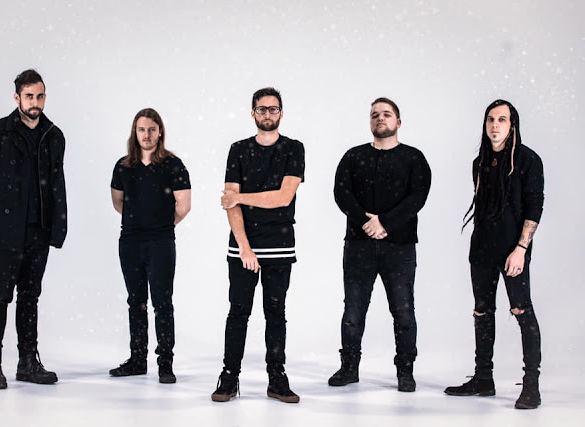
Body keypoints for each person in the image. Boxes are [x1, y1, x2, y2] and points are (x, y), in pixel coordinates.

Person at [444, 100, 544, 410]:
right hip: (482, 250)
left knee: (522, 311)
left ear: (512, 125)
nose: (495, 125)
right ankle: (483, 379)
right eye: (490, 119)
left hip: (513, 250)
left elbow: (534, 207)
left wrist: (521, 249)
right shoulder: (480, 162)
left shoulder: (528, 160)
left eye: (502, 119)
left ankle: (531, 386)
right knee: (482, 313)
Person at [0, 69, 67, 389]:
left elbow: (57, 183)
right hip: (5, 230)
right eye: (29, 96)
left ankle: (27, 363)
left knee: (30, 296)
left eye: (39, 96)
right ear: (17, 98)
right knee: (1, 294)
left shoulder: (54, 136)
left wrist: (58, 225)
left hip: (38, 229)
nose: (35, 102)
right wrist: (4, 207)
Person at [329, 97, 431, 392]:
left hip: (399, 247)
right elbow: (341, 193)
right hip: (358, 246)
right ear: (369, 121)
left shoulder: (414, 158)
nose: (380, 118)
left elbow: (418, 197)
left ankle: (405, 371)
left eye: (386, 114)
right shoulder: (353, 156)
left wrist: (385, 222)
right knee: (353, 311)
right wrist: (366, 222)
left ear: (398, 122)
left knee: (403, 311)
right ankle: (349, 367)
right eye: (375, 114)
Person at [211, 88, 305, 403]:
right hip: (243, 247)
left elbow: (284, 197)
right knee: (238, 312)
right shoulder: (238, 150)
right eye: (261, 109)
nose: (267, 114)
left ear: (281, 113)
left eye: (273, 109)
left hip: (280, 245)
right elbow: (230, 204)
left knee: (275, 313)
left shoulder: (293, 149)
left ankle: (277, 378)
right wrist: (245, 247)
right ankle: (229, 377)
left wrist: (239, 196)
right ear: (253, 113)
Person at [109, 108, 191, 384]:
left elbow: (184, 206)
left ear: (160, 132)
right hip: (130, 241)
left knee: (162, 302)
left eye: (152, 129)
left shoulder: (173, 165)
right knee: (136, 301)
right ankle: (137, 360)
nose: (146, 135)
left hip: (161, 242)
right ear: (135, 132)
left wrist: (160, 224)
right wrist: (140, 221)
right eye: (142, 129)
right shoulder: (123, 166)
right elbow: (118, 203)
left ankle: (165, 363)